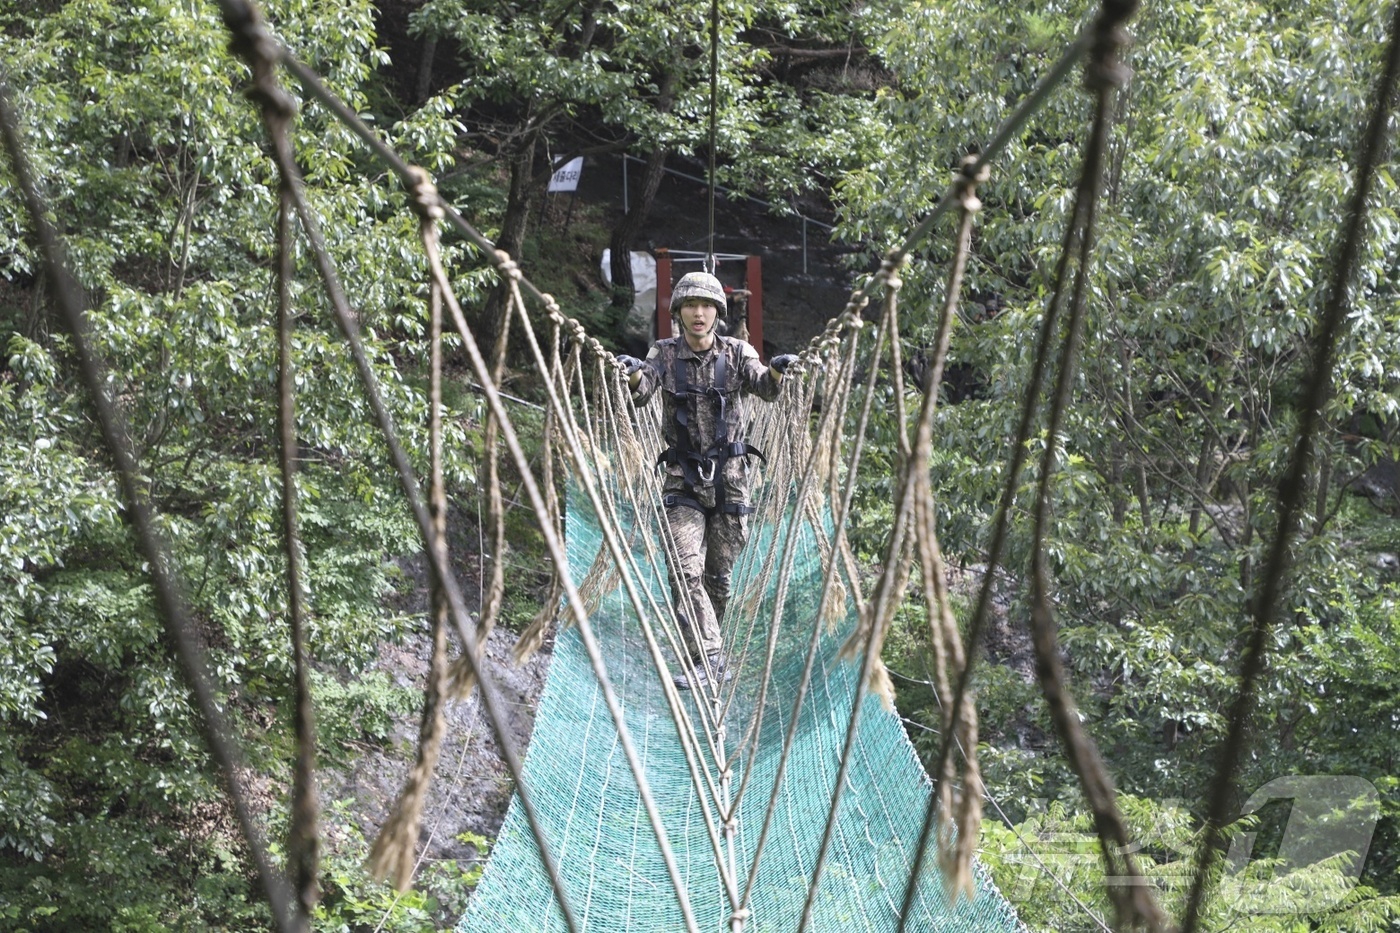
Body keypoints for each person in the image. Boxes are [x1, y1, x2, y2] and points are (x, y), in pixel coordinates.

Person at [617, 271, 796, 690]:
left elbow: (762, 384)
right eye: (690, 306)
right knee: (685, 571)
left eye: (707, 306)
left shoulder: (737, 352)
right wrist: (631, 374)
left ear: (718, 312)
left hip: (731, 485)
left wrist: (776, 373)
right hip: (682, 483)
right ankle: (711, 659)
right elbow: (643, 390)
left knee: (717, 579)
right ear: (678, 312)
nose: (699, 314)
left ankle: (706, 653)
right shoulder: (662, 354)